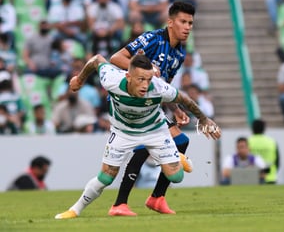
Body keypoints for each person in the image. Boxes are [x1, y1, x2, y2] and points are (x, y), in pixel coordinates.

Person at [54, 53, 221, 219]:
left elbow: (184, 99)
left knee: (176, 177)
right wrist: (80, 79)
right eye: (141, 79)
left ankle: (177, 158)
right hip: (122, 132)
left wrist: (204, 119)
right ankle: (74, 210)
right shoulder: (111, 79)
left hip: (154, 130)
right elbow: (97, 60)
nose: (145, 85)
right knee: (106, 177)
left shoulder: (158, 87)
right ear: (128, 76)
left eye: (148, 79)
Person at [108, 0, 195, 216]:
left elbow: (163, 87)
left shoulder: (179, 54)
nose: (187, 27)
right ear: (170, 22)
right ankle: (121, 204)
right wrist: (144, 70)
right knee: (144, 146)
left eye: (191, 23)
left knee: (181, 141)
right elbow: (116, 58)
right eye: (183, 22)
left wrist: (175, 109)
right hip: (131, 100)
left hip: (151, 104)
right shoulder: (152, 39)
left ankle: (156, 198)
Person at [248, 119, 279, 184]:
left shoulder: (248, 142)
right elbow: (277, 161)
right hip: (270, 177)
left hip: (252, 178)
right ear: (264, 128)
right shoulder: (271, 141)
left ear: (252, 128)